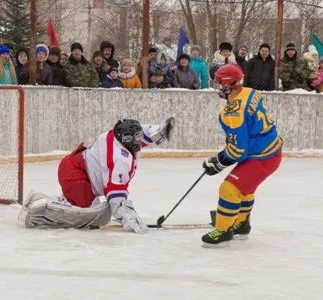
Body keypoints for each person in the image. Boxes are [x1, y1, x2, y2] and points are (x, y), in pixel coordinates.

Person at [19, 117, 175, 233]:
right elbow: (115, 192)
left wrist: (161, 130)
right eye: (130, 139)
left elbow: (143, 132)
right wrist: (127, 217)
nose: (136, 142)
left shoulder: (119, 135)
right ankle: (41, 210)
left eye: (136, 138)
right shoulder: (118, 158)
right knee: (85, 217)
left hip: (75, 167)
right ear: (122, 138)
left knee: (97, 213)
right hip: (76, 175)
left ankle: (53, 199)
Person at [202, 64, 283, 248]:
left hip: (262, 156)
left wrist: (219, 161)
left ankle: (223, 231)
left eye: (220, 85)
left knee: (229, 189)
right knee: (245, 188)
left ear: (230, 85)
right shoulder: (250, 92)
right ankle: (241, 224)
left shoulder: (232, 113)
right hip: (270, 151)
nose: (218, 89)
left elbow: (239, 150)